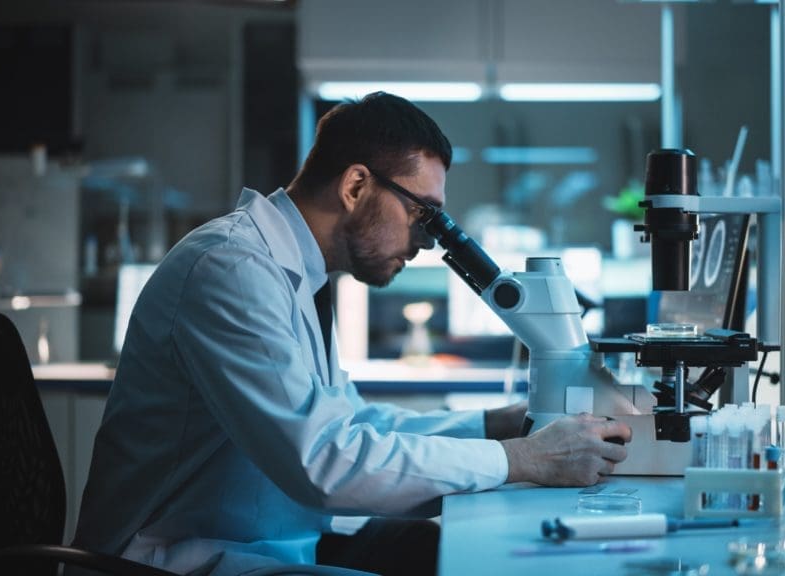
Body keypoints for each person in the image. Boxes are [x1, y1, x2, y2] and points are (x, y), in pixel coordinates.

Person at [72, 92, 631, 576]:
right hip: (175, 562)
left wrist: (493, 426)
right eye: (423, 214)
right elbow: (326, 464)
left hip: (268, 541)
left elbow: (350, 425)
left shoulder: (296, 274)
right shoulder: (232, 270)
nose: (429, 241)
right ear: (356, 185)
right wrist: (521, 458)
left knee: (452, 554)